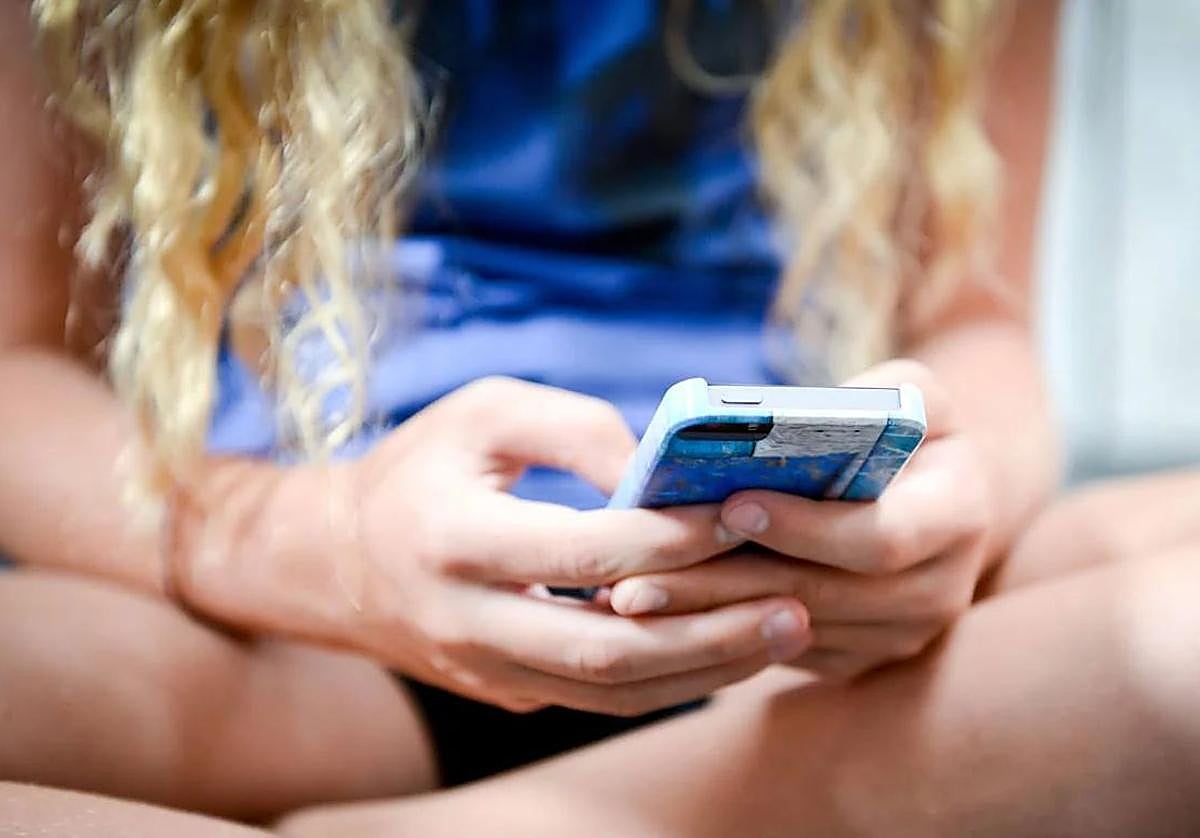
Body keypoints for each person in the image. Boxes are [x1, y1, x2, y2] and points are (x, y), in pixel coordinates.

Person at [1, 1, 1198, 835]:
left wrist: (960, 494)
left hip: (802, 638)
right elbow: (18, 368)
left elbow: (974, 320)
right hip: (308, 632)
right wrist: (316, 544)